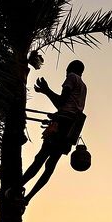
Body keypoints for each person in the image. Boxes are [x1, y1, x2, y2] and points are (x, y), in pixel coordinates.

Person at [20, 59, 87, 207]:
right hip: (70, 129)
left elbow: (62, 103)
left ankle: (16, 187)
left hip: (62, 125)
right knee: (49, 167)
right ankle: (27, 198)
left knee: (40, 158)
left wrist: (46, 90)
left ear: (70, 68)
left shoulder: (71, 77)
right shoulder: (83, 86)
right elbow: (69, 107)